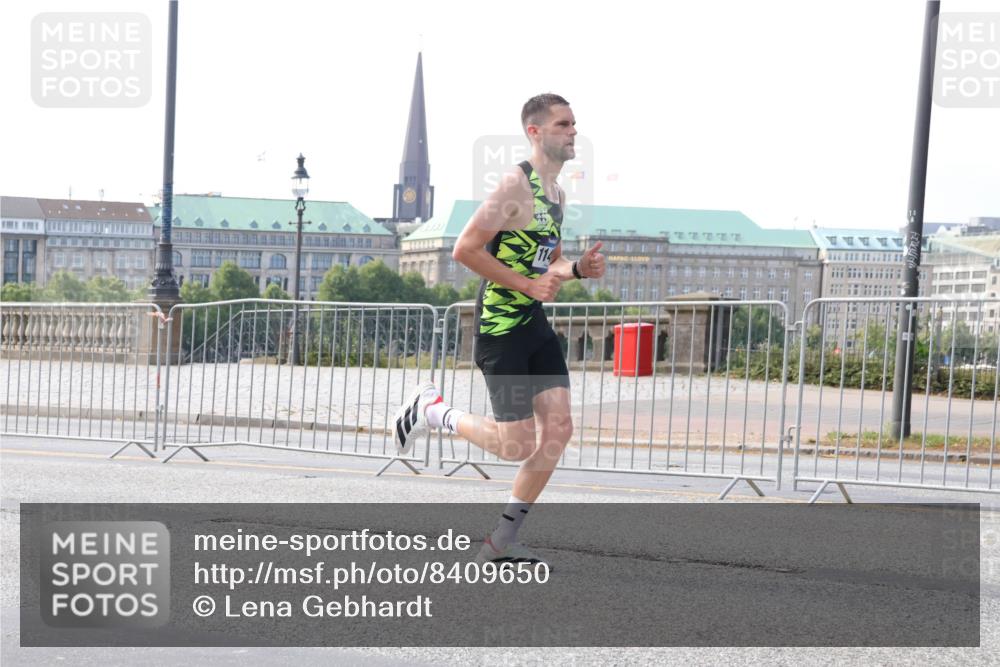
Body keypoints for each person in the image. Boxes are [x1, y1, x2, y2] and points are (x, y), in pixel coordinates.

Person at [394, 93, 606, 565]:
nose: (574, 132)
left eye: (574, 124)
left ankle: (501, 543)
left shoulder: (557, 195)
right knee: (516, 445)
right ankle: (433, 412)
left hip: (534, 326)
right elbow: (466, 249)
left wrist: (578, 271)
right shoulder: (515, 185)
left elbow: (547, 260)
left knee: (559, 429)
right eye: (563, 124)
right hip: (501, 328)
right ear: (535, 131)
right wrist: (525, 285)